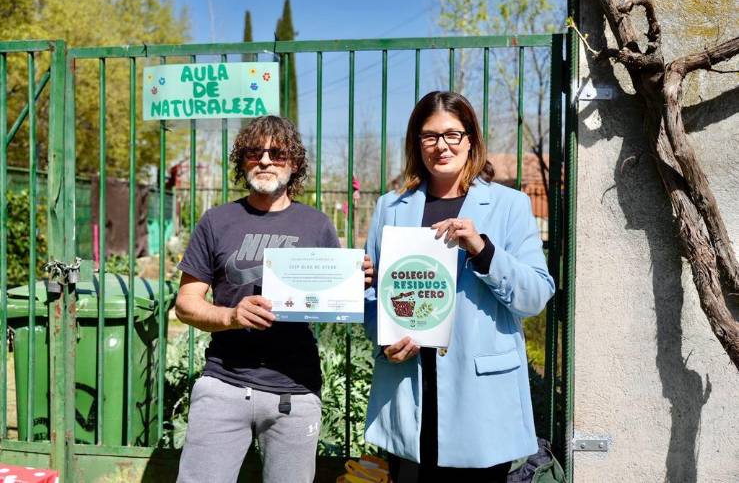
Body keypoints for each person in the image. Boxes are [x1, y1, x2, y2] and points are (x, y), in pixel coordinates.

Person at [363, 91, 555, 483]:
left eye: (453, 134)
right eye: (430, 136)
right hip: (409, 392)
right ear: (417, 143)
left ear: (470, 140)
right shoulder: (391, 207)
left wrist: (483, 250)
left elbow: (535, 295)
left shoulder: (509, 205)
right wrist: (384, 340)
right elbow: (373, 297)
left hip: (480, 401)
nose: (442, 146)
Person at [175, 115, 372, 483]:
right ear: (242, 160)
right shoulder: (217, 221)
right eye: (255, 152)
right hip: (224, 383)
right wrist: (231, 316)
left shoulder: (317, 225)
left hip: (294, 391)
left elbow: (333, 301)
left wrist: (353, 282)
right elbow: (186, 303)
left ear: (293, 163)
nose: (265, 160)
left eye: (277, 153)